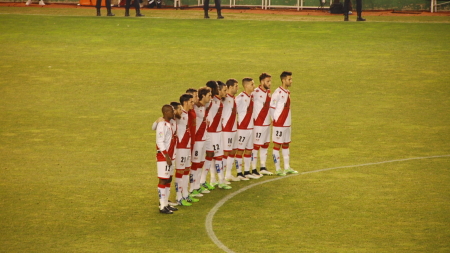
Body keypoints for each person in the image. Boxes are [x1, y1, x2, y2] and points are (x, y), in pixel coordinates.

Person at [203, 81, 232, 189]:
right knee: (215, 156)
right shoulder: (210, 101)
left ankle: (214, 180)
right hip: (211, 133)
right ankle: (219, 180)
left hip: (218, 132)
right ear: (218, 90)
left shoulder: (219, 101)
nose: (226, 92)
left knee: (215, 157)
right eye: (224, 90)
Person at [270, 71, 298, 176]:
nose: (291, 81)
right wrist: (275, 120)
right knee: (277, 145)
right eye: (289, 79)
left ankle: (287, 167)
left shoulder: (287, 92)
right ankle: (278, 168)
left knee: (286, 145)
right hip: (280, 124)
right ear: (283, 80)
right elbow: (271, 108)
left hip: (287, 124)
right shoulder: (277, 93)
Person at [174, 93, 198, 206]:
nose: (193, 104)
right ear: (186, 102)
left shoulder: (186, 113)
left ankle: (185, 194)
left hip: (187, 146)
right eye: (191, 102)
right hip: (181, 147)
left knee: (186, 170)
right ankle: (179, 197)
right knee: (180, 172)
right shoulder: (178, 114)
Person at [155, 105, 179, 214]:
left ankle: (166, 203)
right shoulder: (162, 125)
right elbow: (160, 142)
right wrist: (167, 157)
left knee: (168, 179)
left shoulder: (168, 124)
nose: (173, 113)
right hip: (164, 157)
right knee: (163, 179)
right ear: (166, 112)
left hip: (170, 156)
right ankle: (162, 206)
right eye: (171, 111)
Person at [235, 78, 260, 180]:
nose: (253, 86)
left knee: (249, 150)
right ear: (246, 86)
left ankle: (246, 171)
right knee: (240, 150)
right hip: (242, 128)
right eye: (251, 84)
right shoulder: (240, 98)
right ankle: (239, 173)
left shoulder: (252, 97)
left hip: (251, 127)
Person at [252, 73, 274, 176]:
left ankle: (263, 167)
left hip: (266, 124)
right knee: (256, 146)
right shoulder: (255, 92)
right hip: (258, 124)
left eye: (270, 81)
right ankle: (253, 169)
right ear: (262, 82)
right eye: (267, 81)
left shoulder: (268, 92)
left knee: (265, 145)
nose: (269, 83)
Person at [222, 79, 240, 183]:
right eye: (236, 86)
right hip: (226, 129)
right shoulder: (224, 98)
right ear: (230, 87)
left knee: (233, 151)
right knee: (226, 152)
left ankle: (228, 174)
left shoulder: (234, 98)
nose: (237, 88)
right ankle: (222, 176)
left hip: (234, 128)